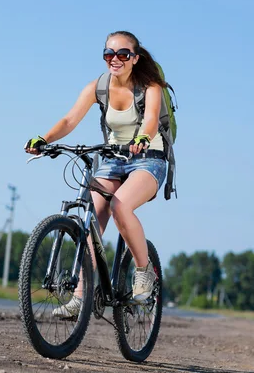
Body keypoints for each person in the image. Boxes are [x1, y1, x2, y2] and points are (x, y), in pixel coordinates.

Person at [25, 30, 167, 317]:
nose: (115, 59)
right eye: (109, 54)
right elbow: (69, 119)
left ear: (135, 58)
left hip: (148, 157)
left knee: (120, 206)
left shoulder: (150, 87)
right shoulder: (97, 87)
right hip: (113, 159)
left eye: (122, 54)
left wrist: (141, 138)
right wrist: (45, 139)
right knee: (90, 217)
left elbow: (151, 119)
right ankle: (80, 297)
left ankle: (143, 273)